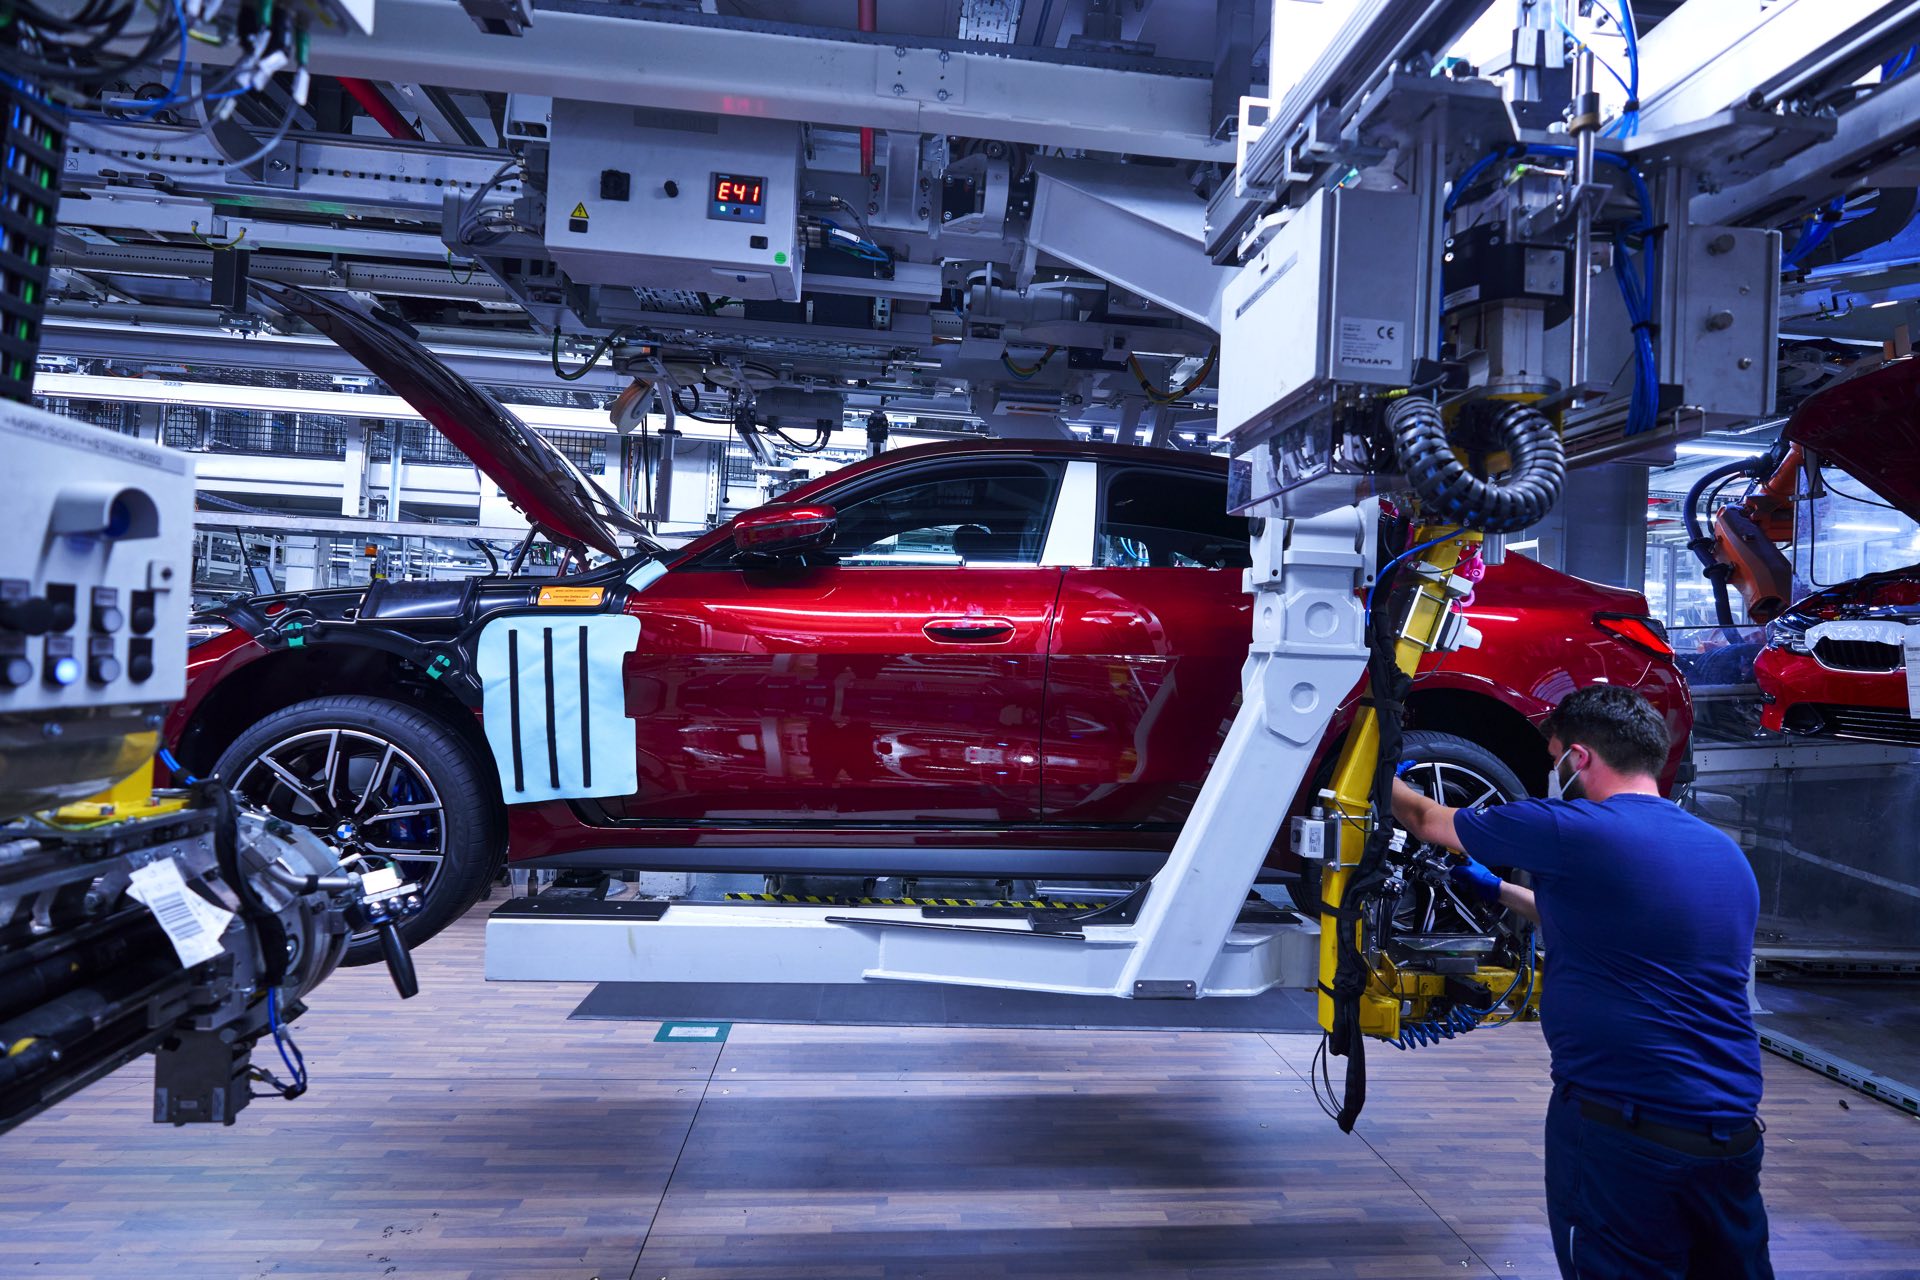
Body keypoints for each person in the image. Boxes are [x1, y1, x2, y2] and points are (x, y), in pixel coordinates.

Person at [1391, 685, 1772, 1280]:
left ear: (1580, 757)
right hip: (1730, 1137)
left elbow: (1424, 818)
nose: (1553, 773)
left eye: (1554, 760)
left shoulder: (1570, 828)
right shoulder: (1722, 852)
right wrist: (1495, 888)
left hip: (1624, 1137)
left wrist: (1377, 765)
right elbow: (1612, 921)